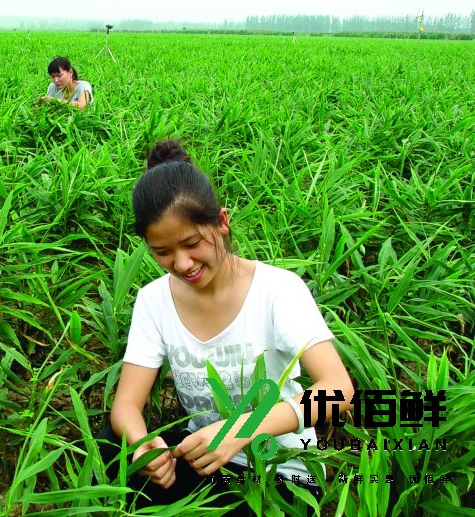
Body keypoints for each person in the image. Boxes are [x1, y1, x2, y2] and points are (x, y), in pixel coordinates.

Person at [101, 140, 355, 513]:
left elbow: (339, 390)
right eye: (163, 252)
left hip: (274, 468)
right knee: (113, 445)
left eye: (191, 243)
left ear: (221, 223)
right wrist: (143, 446)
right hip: (202, 459)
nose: (182, 263)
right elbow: (125, 404)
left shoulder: (277, 289)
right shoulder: (153, 300)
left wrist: (239, 430)